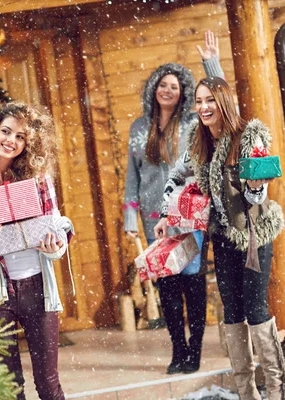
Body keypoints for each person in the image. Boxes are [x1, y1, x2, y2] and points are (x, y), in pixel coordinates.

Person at [155, 76, 284, 399]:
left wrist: (255, 187)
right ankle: (246, 392)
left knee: (255, 309)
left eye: (210, 100)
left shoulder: (246, 137)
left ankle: (277, 389)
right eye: (199, 101)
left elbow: (257, 198)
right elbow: (176, 177)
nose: (203, 107)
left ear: (223, 102)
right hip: (223, 239)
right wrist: (164, 214)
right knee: (232, 312)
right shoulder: (199, 143)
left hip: (253, 236)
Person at [0, 102, 73, 400]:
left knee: (48, 384)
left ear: (29, 143)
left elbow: (56, 229)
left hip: (38, 288)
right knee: (8, 387)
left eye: (21, 137)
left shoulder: (39, 178)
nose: (12, 141)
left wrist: (56, 246)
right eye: (6, 131)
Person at [123, 30, 224, 374]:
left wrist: (211, 63)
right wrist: (128, 219)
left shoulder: (194, 122)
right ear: (154, 89)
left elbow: (221, 106)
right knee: (167, 289)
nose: (169, 90)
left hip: (191, 216)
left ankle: (194, 351)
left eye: (175, 86)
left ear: (182, 92)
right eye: (163, 85)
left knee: (192, 285)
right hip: (157, 221)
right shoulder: (139, 128)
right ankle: (177, 350)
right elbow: (131, 181)